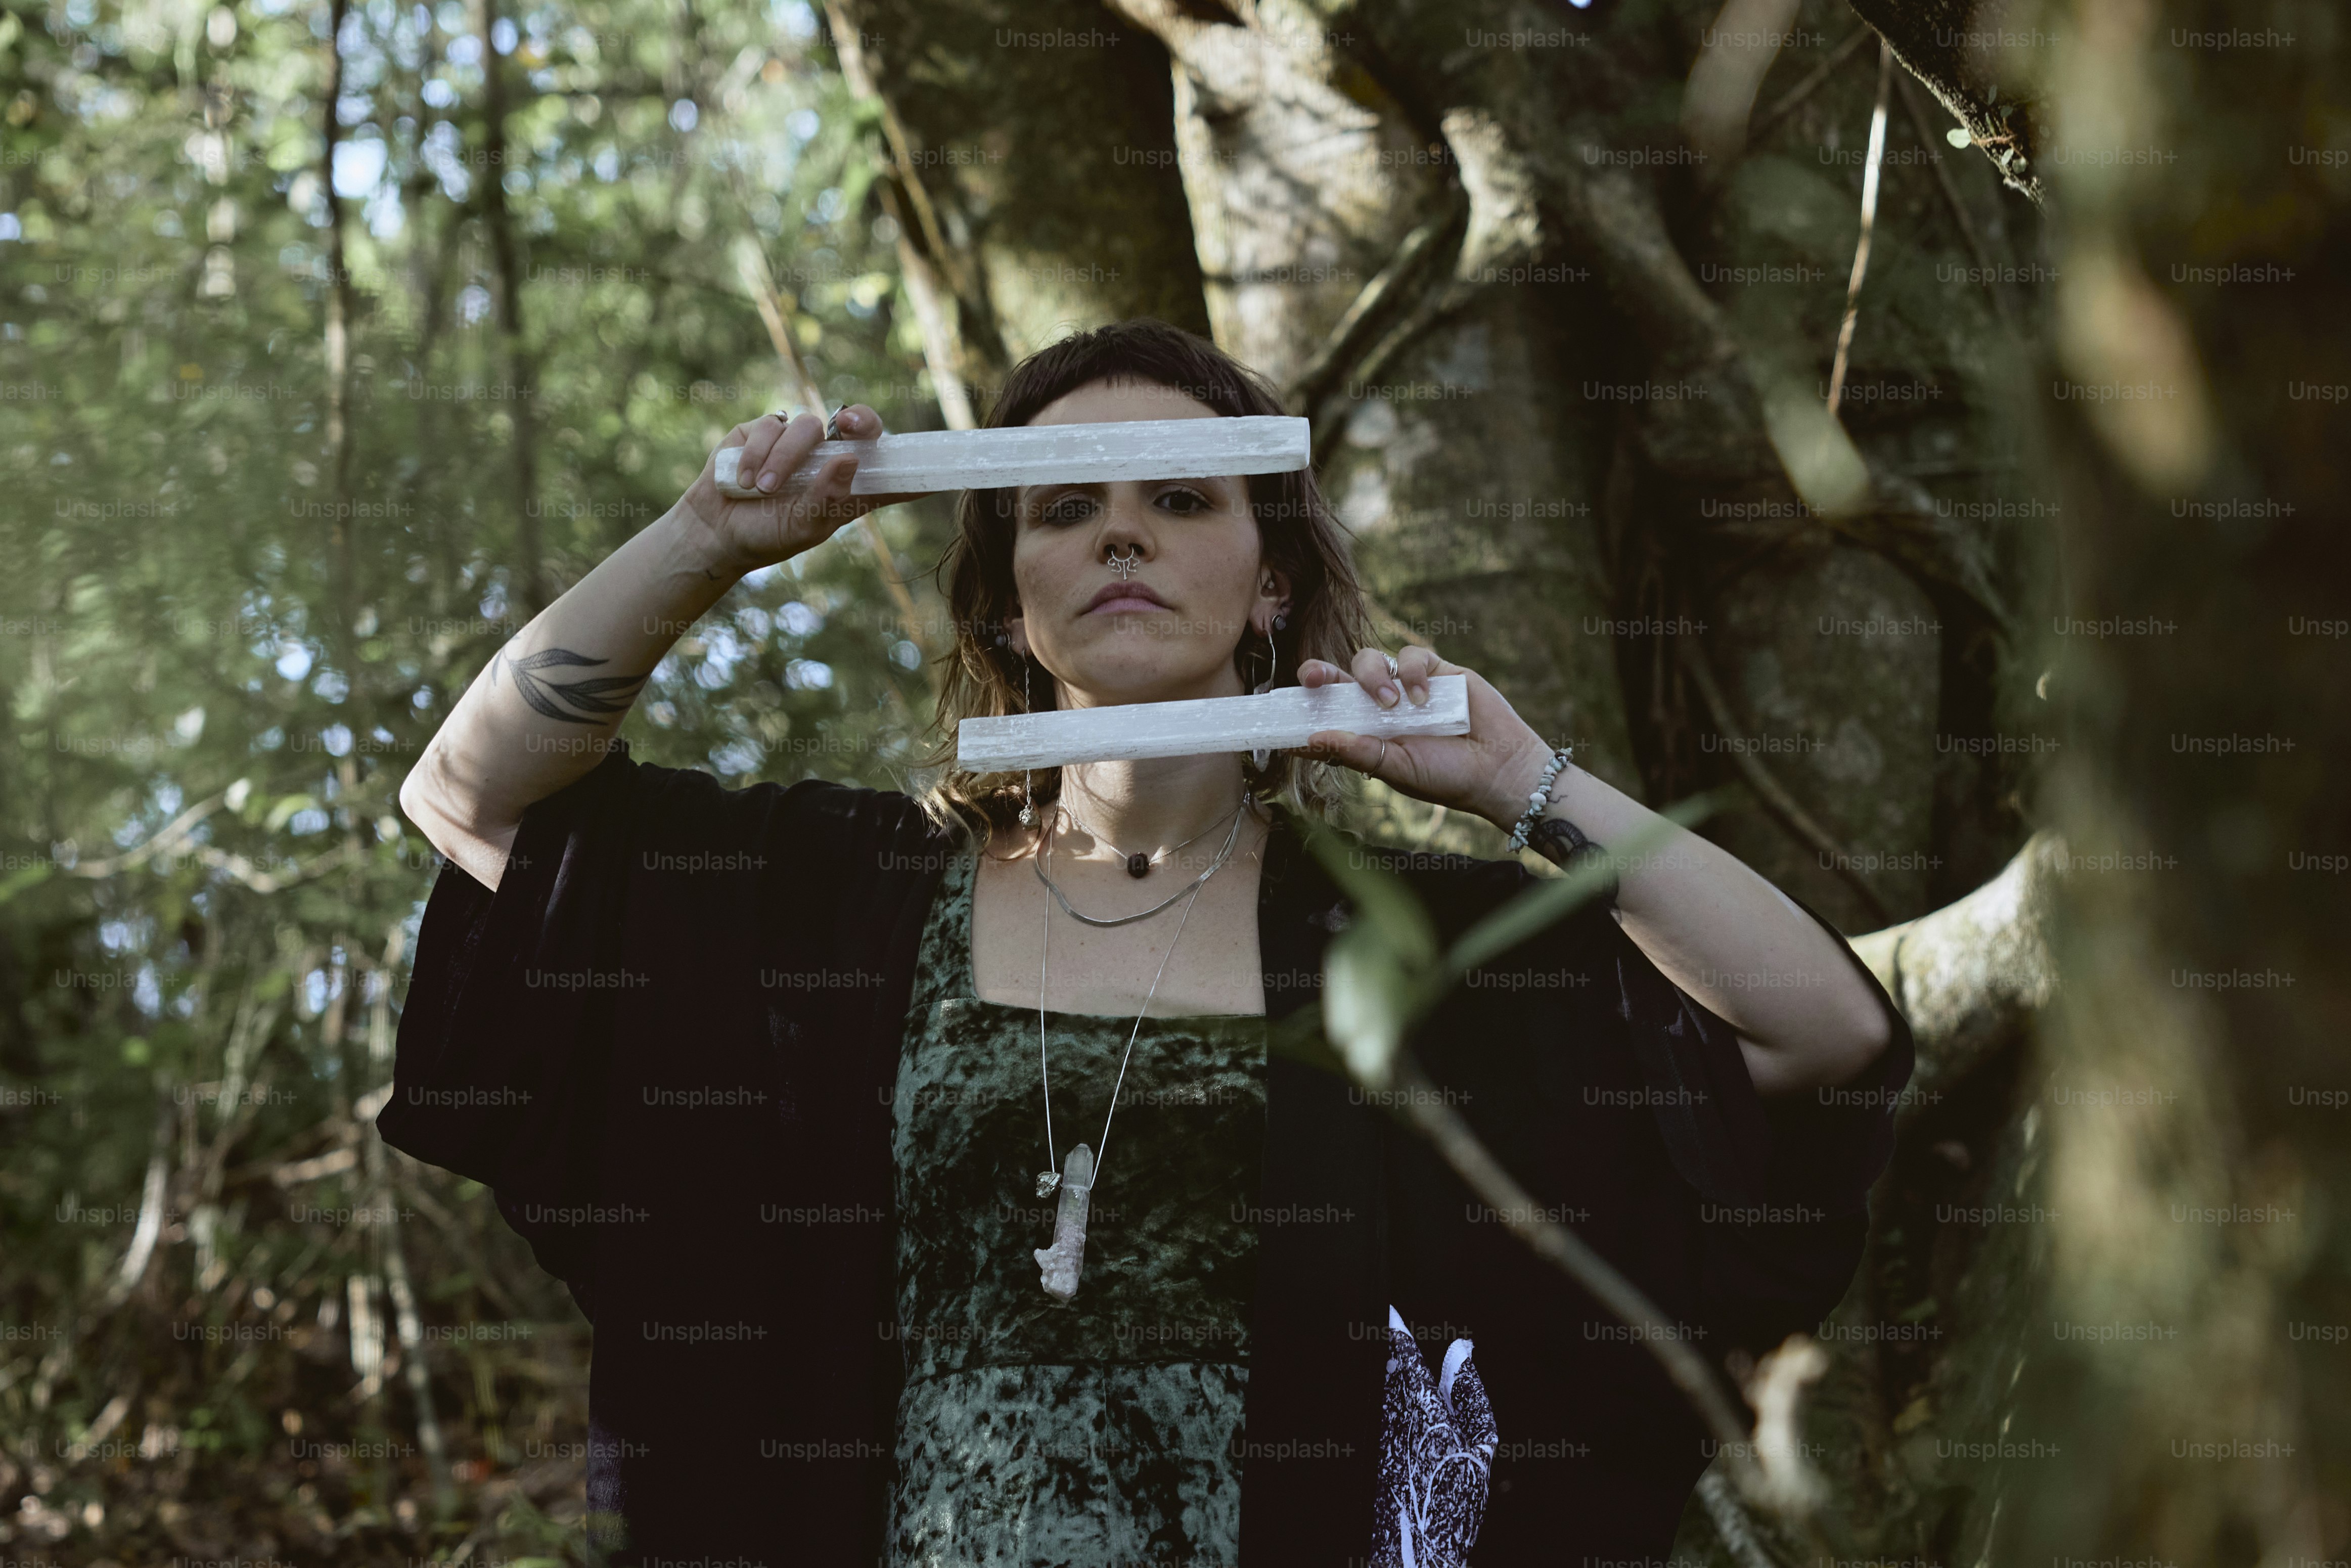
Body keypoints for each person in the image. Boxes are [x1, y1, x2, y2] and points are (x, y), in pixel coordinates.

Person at [383, 318, 1912, 1568]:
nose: (1122, 527)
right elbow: (471, 797)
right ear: (1010, 597)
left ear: (1267, 582)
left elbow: (1821, 1035)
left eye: (1180, 498)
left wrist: (1521, 784)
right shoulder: (825, 901)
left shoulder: (1420, 947)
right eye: (1065, 507)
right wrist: (708, 536)